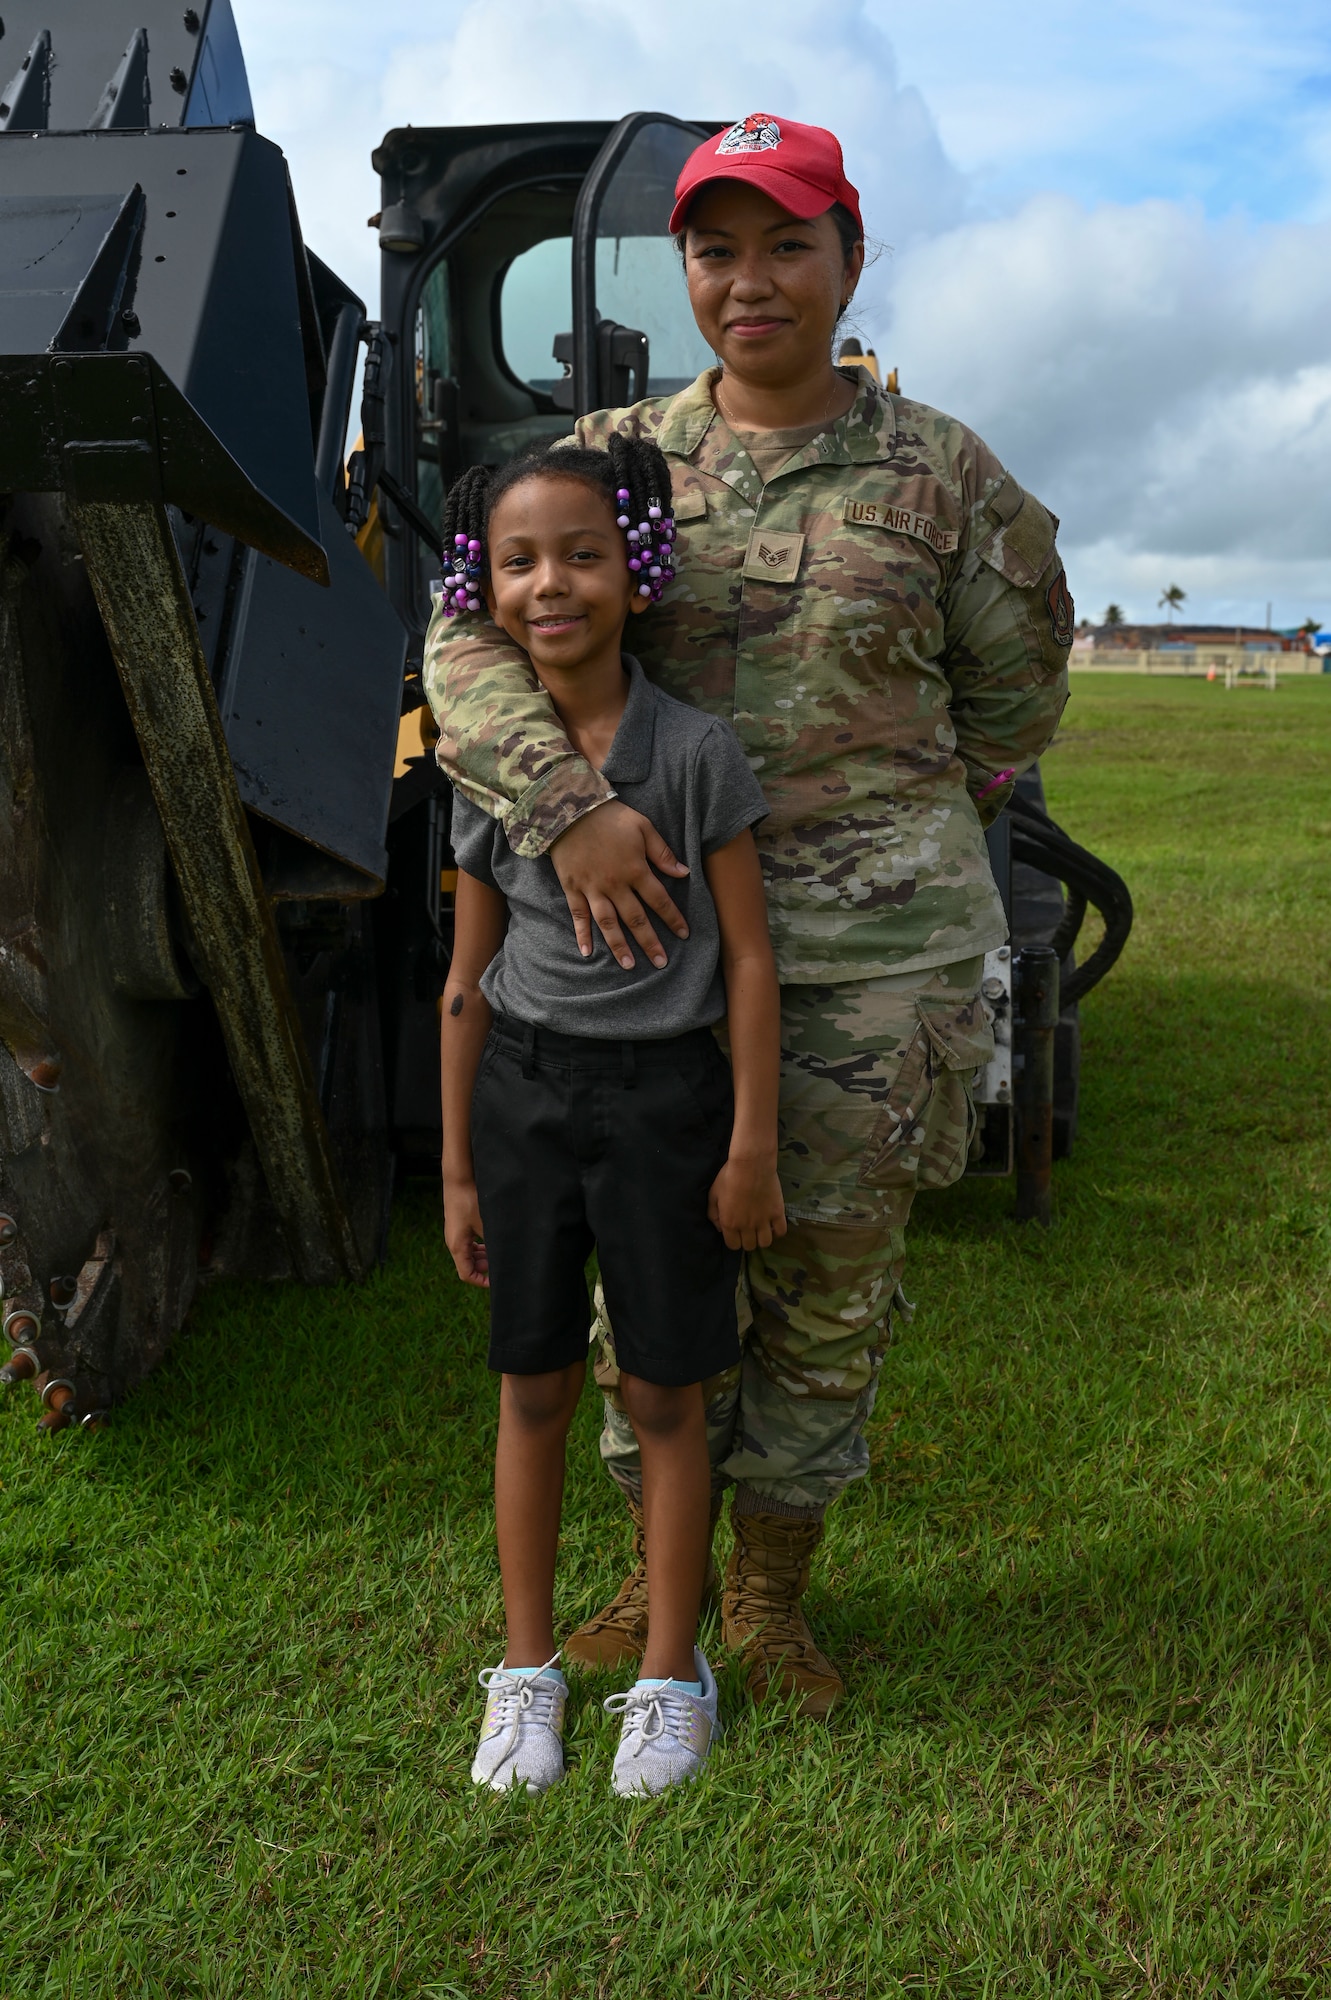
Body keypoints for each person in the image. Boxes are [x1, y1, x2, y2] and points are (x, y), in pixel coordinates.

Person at [426, 114, 1072, 1718]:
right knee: (638, 1280)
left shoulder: (942, 473)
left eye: (789, 244)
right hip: (635, 960)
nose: (752, 280)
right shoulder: (614, 460)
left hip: (868, 968)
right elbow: (464, 645)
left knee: (827, 1282)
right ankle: (657, 1589)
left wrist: (892, 821)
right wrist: (570, 813)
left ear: (850, 255)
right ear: (686, 271)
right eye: (717, 251)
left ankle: (769, 1596)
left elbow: (1017, 691)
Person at [438, 433, 781, 1796]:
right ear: (485, 587)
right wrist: (457, 1167)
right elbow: (464, 978)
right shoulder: (490, 763)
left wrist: (750, 1143)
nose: (551, 586)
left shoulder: (694, 753)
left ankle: (670, 1675)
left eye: (582, 555)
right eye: (518, 562)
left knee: (662, 1392)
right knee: (532, 1386)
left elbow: (748, 959)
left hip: (665, 1105)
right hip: (525, 1094)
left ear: (637, 573)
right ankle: (525, 1675)